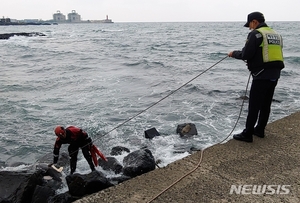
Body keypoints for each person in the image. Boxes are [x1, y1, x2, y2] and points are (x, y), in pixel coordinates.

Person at [228, 11, 284, 142]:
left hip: (261, 75)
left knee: (254, 105)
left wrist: (233, 53)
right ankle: (260, 130)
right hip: (275, 75)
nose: (249, 27)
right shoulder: (276, 34)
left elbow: (246, 54)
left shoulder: (256, 34)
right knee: (266, 104)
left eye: (250, 24)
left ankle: (247, 134)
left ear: (254, 21)